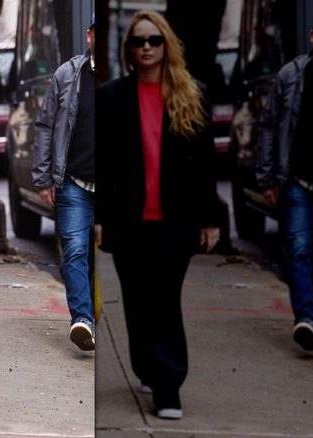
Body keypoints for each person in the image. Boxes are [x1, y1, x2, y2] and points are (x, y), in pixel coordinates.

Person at [96, 10, 220, 420]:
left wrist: (210, 218)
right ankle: (147, 366)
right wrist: (97, 217)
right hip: (128, 220)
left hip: (176, 220)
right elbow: (104, 163)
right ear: (129, 49)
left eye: (154, 40)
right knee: (136, 300)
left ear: (167, 45)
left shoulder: (193, 94)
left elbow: (205, 164)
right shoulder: (112, 96)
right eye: (138, 41)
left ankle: (169, 386)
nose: (146, 47)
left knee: (165, 300)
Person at [32, 13, 96, 351]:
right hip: (73, 182)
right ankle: (83, 320)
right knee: (74, 251)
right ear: (89, 36)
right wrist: (44, 177)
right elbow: (45, 127)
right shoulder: (68, 75)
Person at [255, 16, 313, 352]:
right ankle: (306, 319)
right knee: (298, 250)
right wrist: (267, 177)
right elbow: (268, 127)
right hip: (297, 181)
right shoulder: (292, 75)